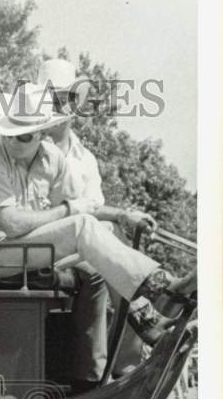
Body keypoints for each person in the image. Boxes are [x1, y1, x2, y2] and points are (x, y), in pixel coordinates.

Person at [0, 82, 195, 349]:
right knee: (82, 227)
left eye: (24, 136)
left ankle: (143, 325)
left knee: (104, 242)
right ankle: (163, 288)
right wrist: (69, 210)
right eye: (9, 134)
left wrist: (122, 215)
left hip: (29, 248)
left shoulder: (52, 158)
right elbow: (13, 223)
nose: (14, 141)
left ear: (41, 132)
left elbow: (83, 205)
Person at [37, 58, 153, 380]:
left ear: (76, 104)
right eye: (53, 99)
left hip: (80, 245)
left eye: (68, 98)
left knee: (112, 244)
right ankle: (98, 374)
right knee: (100, 261)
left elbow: (97, 209)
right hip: (42, 247)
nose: (61, 106)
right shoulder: (27, 145)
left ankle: (123, 363)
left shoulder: (85, 158)